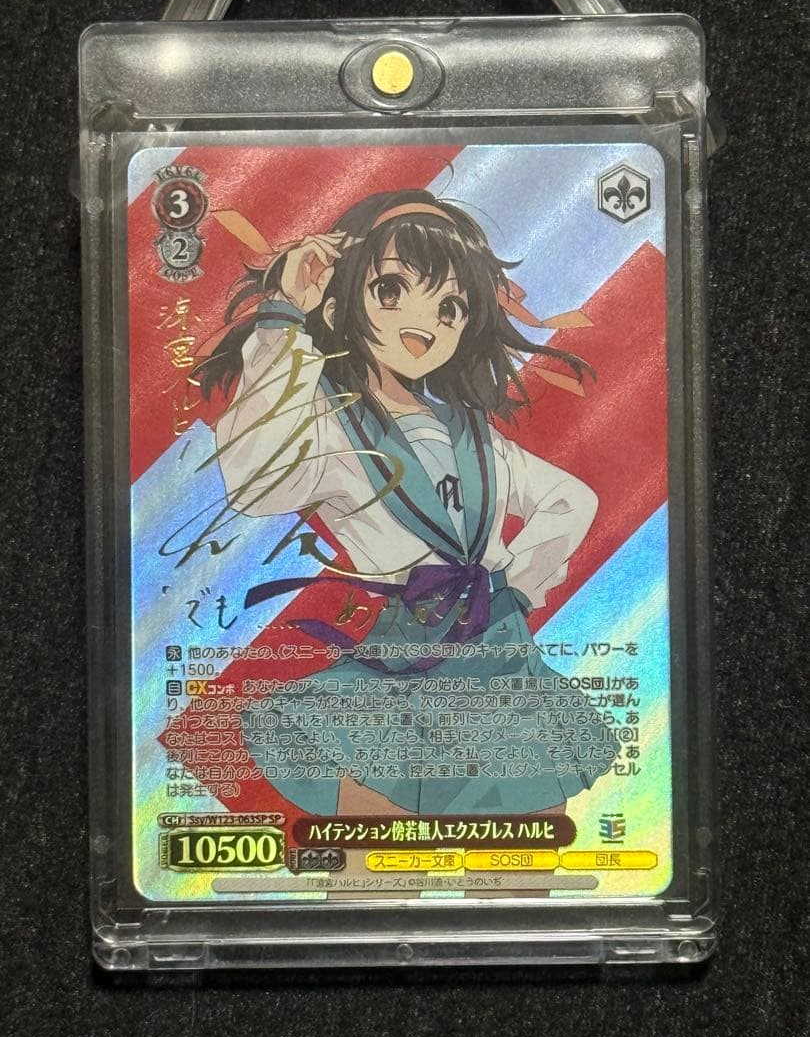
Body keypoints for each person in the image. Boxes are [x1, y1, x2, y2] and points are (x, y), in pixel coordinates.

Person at [196, 188, 618, 821]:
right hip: (407, 653)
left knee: (525, 836)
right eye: (391, 290)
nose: (425, 321)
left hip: (498, 652)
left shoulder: (471, 430)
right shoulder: (332, 425)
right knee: (375, 831)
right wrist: (283, 316)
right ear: (337, 304)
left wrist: (518, 588)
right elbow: (256, 482)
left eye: (450, 306)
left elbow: (569, 498)